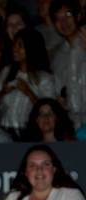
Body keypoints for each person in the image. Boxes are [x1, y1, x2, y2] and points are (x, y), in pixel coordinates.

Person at [0, 27, 56, 140]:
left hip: (30, 132)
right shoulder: (6, 72)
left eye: (20, 46)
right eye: (14, 45)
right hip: (4, 131)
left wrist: (28, 92)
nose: (15, 49)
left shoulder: (44, 78)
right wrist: (3, 92)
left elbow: (50, 110)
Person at [50, 0, 86, 128]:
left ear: (78, 16)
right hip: (74, 123)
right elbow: (59, 91)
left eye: (68, 15)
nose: (64, 22)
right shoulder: (57, 56)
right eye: (58, 19)